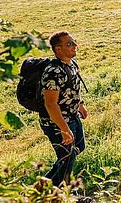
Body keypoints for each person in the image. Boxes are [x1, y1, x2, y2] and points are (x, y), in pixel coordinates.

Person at [40, 31, 88, 187]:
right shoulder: (53, 72)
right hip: (56, 123)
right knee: (67, 158)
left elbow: (73, 87)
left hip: (72, 117)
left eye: (74, 42)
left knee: (78, 148)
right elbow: (50, 104)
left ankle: (42, 186)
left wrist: (80, 104)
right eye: (70, 44)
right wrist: (64, 128)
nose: (75, 46)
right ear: (58, 49)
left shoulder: (72, 64)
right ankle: (59, 192)